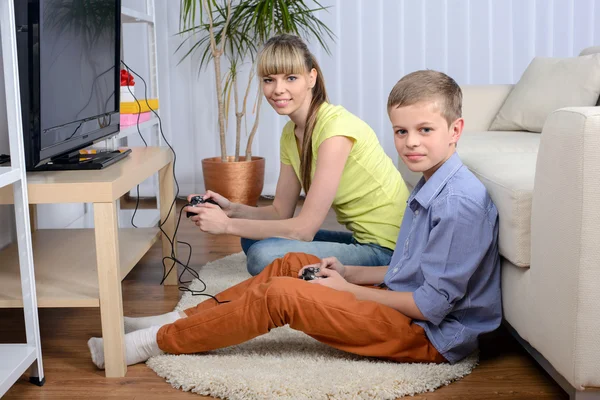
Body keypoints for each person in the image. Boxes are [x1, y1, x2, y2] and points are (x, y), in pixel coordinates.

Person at [88, 70, 502, 369]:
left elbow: (428, 306)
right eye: (400, 131)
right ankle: (181, 319)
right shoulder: (431, 185)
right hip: (407, 309)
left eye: (425, 130)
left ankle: (153, 342)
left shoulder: (457, 204)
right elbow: (409, 271)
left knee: (282, 295)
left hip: (428, 337)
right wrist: (348, 274)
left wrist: (350, 292)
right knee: (292, 264)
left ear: (455, 129)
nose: (410, 143)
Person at [185, 34, 410, 275]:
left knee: (262, 255)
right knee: (251, 240)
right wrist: (232, 210)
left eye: (291, 78)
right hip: (363, 241)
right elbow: (280, 212)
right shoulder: (290, 134)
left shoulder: (335, 130)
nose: (278, 90)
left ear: (311, 78)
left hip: (391, 252)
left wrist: (227, 225)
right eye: (269, 80)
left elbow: (305, 229)